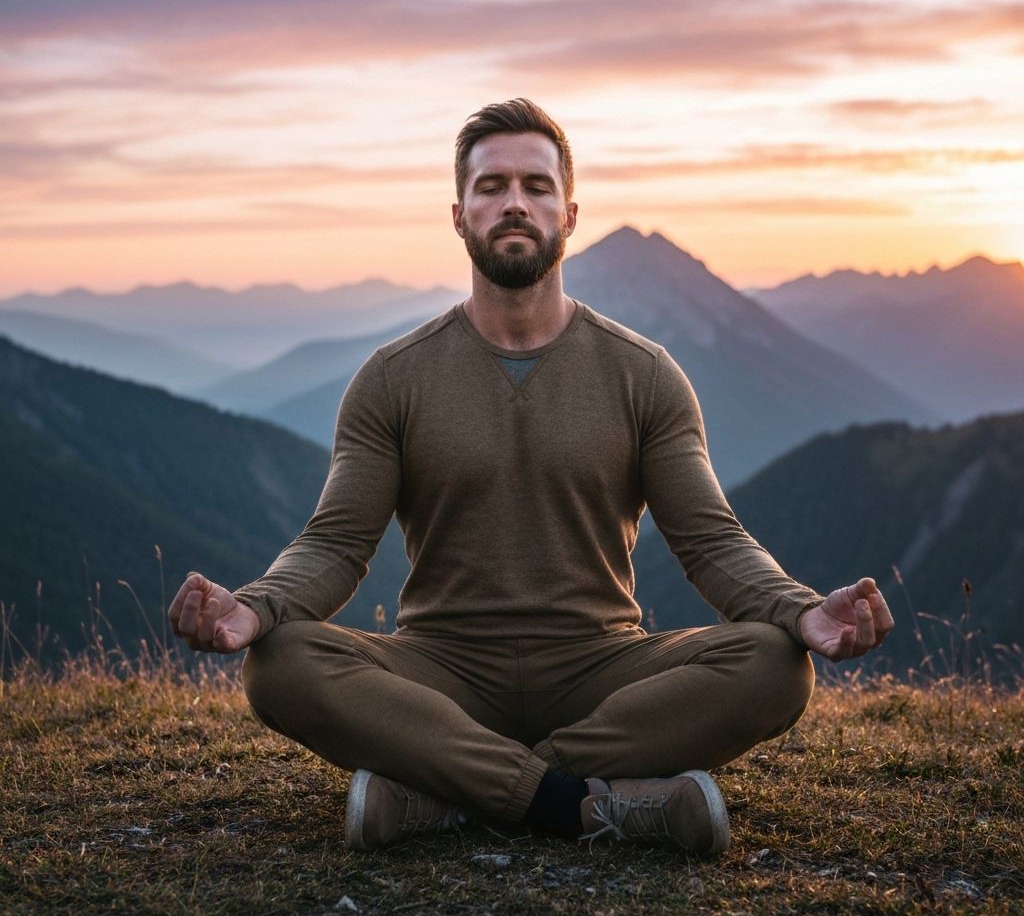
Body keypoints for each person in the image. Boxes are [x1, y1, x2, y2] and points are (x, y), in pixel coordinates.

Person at [168, 98, 894, 857]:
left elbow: (712, 541)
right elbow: (336, 544)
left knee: (776, 665)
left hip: (602, 667)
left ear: (569, 213)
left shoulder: (644, 375)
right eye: (492, 186)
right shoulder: (392, 379)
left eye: (536, 186)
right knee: (280, 663)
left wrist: (801, 611)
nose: (514, 202)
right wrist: (253, 609)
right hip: (438, 672)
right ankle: (586, 805)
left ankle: (442, 796)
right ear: (458, 215)